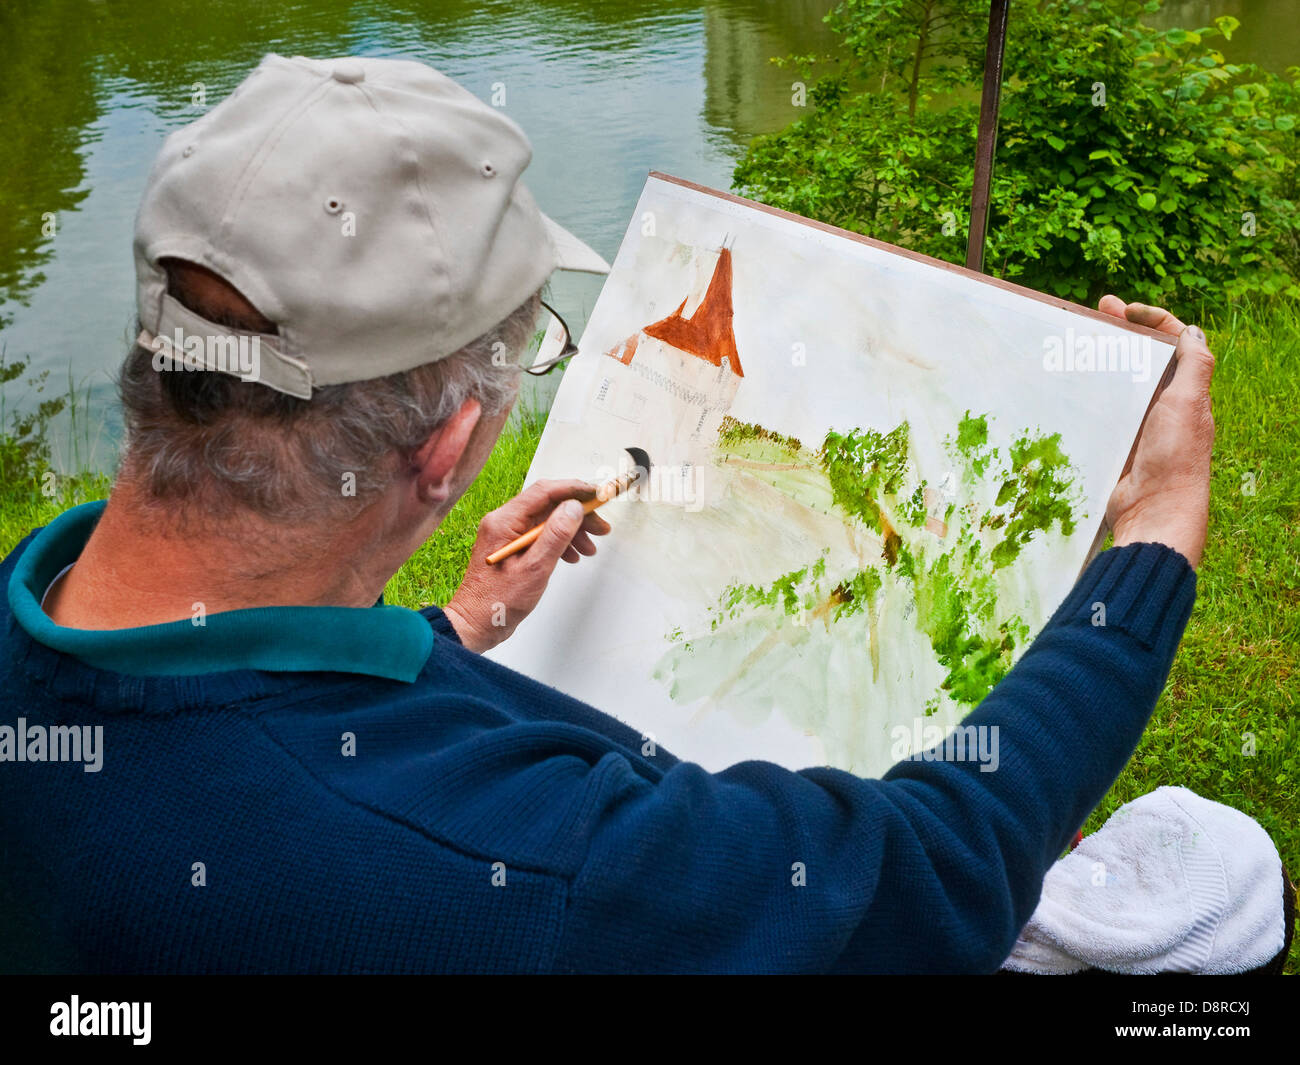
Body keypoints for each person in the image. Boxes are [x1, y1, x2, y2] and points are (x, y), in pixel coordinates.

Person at [0, 54, 1215, 974]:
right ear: (449, 447)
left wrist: (453, 628)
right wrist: (1152, 533)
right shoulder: (517, 860)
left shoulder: (42, 618)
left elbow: (238, 724)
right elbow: (921, 880)